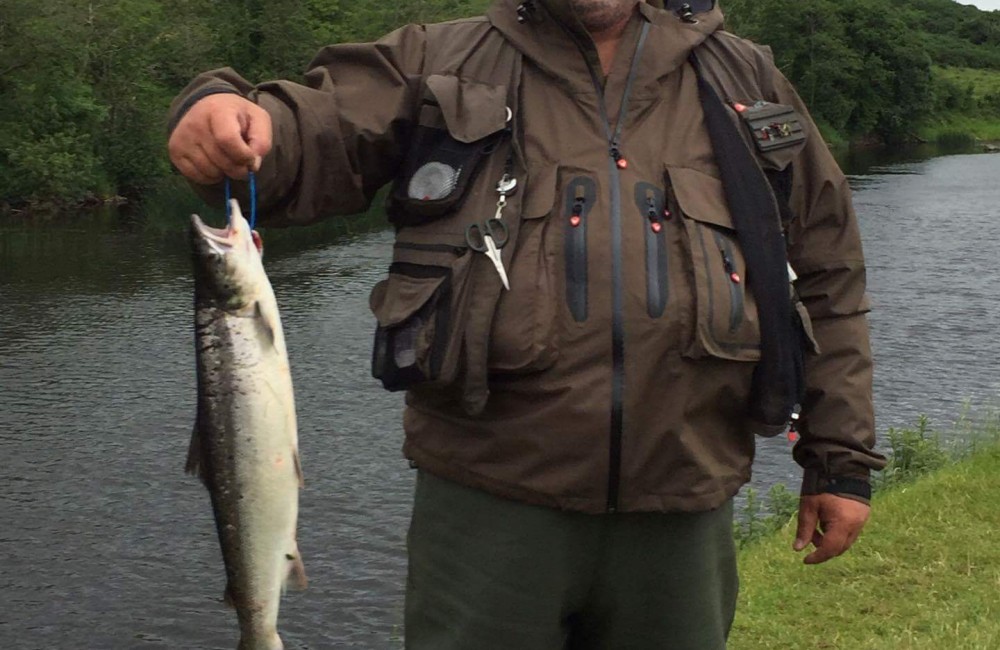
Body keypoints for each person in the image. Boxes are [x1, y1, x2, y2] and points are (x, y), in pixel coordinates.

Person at [168, 1, 887, 647]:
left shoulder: (744, 77)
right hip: (486, 507)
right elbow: (302, 136)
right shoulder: (437, 61)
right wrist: (222, 113)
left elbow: (827, 269)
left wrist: (840, 458)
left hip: (684, 509)